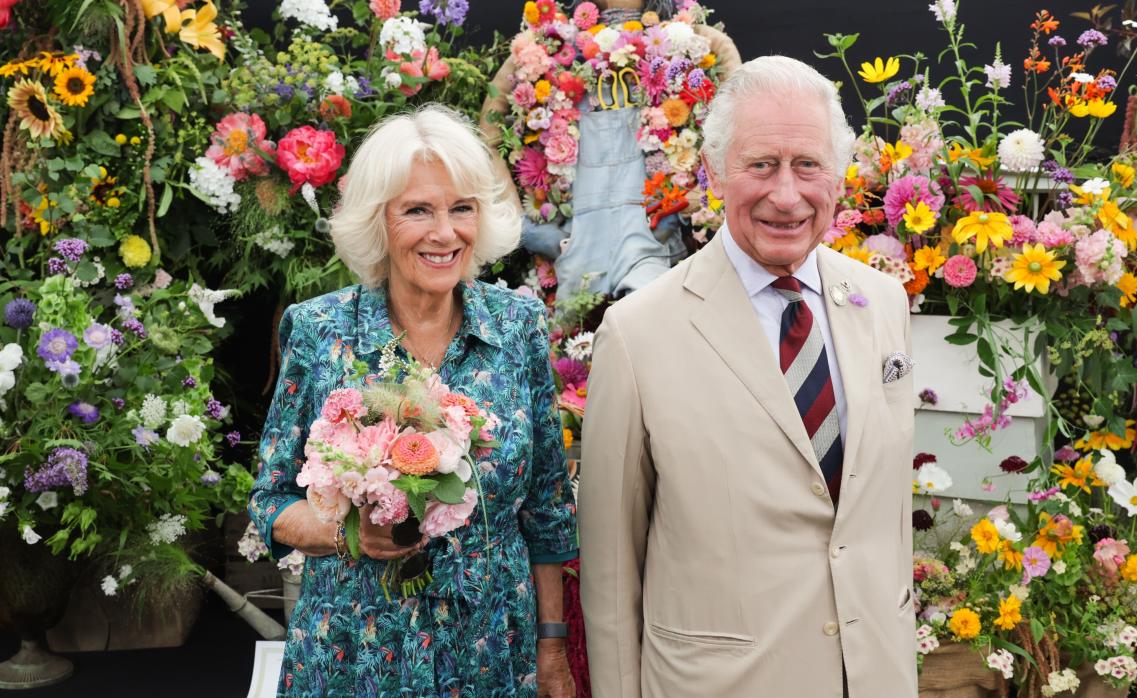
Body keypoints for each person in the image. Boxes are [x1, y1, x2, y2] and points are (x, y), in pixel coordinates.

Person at [579, 56, 918, 697]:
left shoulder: (884, 303)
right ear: (715, 173)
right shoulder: (637, 333)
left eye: (807, 165)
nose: (786, 195)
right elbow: (610, 568)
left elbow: (880, 518)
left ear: (839, 179)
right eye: (761, 164)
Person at [247, 105, 579, 698]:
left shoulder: (518, 326)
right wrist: (346, 533)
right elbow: (271, 501)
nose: (444, 233)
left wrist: (552, 649)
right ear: (379, 221)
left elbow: (547, 507)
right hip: (355, 650)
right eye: (418, 210)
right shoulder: (320, 329)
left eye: (461, 208)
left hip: (492, 652)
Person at [480, 0, 741, 297]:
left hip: (655, 242)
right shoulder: (545, 47)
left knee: (650, 330)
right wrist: (524, 227)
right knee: (575, 335)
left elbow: (742, 130)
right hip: (576, 247)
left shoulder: (695, 42)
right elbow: (487, 136)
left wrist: (698, 203)